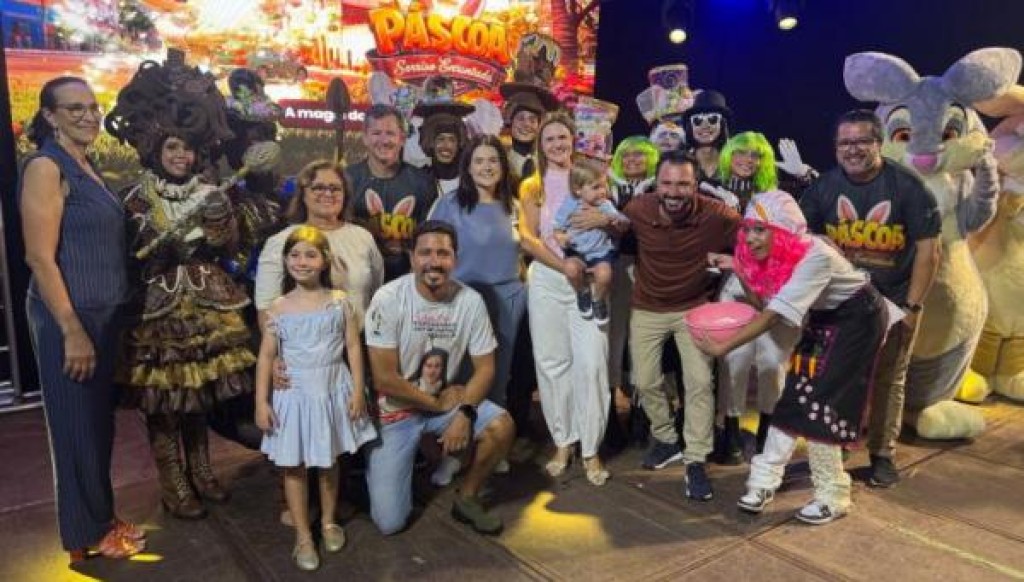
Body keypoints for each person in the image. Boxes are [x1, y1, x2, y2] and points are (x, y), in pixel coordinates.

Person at [105, 52, 254, 520]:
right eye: (172, 148)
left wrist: (219, 221)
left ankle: (202, 472)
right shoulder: (134, 198)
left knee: (197, 395)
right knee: (164, 400)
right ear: (155, 148)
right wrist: (150, 243)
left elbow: (227, 245)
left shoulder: (209, 192)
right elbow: (126, 258)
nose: (180, 157)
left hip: (206, 304)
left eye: (187, 149)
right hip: (157, 314)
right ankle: (174, 483)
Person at [697, 190, 888, 525]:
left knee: (820, 404)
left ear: (783, 232)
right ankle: (763, 482)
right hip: (825, 318)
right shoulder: (776, 257)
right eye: (748, 229)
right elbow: (763, 305)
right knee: (792, 396)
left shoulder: (815, 257)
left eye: (761, 230)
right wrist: (741, 269)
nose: (750, 238)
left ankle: (833, 496)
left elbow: (771, 316)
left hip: (858, 321)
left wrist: (723, 347)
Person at [20, 76, 145, 562]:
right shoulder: (45, 167)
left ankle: (100, 516)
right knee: (76, 430)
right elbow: (39, 257)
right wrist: (71, 329)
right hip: (69, 318)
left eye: (93, 107)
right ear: (49, 116)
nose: (89, 116)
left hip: (101, 316)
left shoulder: (85, 166)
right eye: (75, 108)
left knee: (96, 426)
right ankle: (84, 536)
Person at [799, 109, 940, 488]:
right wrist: (816, 239)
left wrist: (912, 306)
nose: (853, 149)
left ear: (880, 143)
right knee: (839, 375)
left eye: (862, 141)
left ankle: (881, 454)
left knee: (888, 379)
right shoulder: (824, 187)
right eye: (844, 143)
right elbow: (799, 234)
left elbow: (929, 252)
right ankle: (837, 443)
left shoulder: (907, 187)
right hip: (841, 303)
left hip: (893, 301)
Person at [363, 221, 515, 535]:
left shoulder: (470, 301)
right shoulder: (388, 298)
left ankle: (467, 497)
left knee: (501, 426)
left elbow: (486, 368)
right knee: (390, 523)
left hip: (444, 404)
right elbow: (384, 379)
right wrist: (435, 404)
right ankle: (387, 459)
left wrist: (465, 413)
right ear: (411, 257)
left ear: (455, 258)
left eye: (443, 253)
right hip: (396, 412)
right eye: (425, 253)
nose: (434, 261)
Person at [256, 226, 376, 571]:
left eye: (310, 255)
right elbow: (266, 356)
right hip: (294, 396)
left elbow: (353, 347)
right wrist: (261, 401)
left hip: (331, 390)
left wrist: (357, 389)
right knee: (293, 467)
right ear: (285, 260)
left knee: (328, 461)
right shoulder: (278, 308)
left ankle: (328, 520)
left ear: (324, 261)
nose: (302, 262)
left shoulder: (339, 301)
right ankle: (303, 536)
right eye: (295, 255)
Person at [623, 150, 740, 500]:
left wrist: (735, 259)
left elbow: (758, 235)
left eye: (683, 184)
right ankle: (666, 437)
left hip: (694, 309)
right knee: (643, 381)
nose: (674, 192)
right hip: (647, 307)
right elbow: (609, 229)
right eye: (667, 183)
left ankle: (696, 460)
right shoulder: (638, 209)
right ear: (655, 184)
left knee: (700, 382)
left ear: (696, 185)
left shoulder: (717, 214)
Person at [519, 112, 612, 486]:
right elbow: (528, 238)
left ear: (573, 139)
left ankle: (591, 448)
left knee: (591, 363)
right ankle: (563, 441)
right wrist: (564, 266)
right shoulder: (532, 186)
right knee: (551, 362)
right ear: (540, 146)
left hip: (589, 280)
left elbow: (613, 221)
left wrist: (604, 224)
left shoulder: (591, 176)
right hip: (548, 279)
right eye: (550, 139)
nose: (557, 144)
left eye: (563, 137)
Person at [712, 131, 796, 464]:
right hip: (734, 282)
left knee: (772, 362)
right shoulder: (713, 190)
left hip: (772, 284)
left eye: (755, 154)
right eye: (740, 153)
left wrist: (805, 174)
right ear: (728, 155)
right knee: (734, 360)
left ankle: (767, 430)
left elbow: (799, 230)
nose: (747, 160)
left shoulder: (777, 195)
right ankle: (731, 429)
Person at [428, 135, 525, 411]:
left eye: (493, 160)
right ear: (468, 167)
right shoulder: (448, 205)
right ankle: (455, 429)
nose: (487, 167)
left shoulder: (515, 207)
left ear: (503, 166)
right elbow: (429, 254)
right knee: (457, 371)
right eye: (479, 160)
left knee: (499, 373)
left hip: (508, 302)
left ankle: (491, 431)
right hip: (461, 299)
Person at [255, 159, 384, 330]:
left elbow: (376, 291)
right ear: (303, 194)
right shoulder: (280, 241)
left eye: (335, 188)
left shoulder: (363, 237)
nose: (328, 193)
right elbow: (267, 309)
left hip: (359, 340)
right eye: (318, 187)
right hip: (301, 343)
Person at [349, 104, 436, 282]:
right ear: (365, 138)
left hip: (406, 281)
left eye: (390, 133)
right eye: (376, 133)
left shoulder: (423, 182)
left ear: (402, 138)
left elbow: (428, 238)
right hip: (356, 278)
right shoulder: (346, 180)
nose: (384, 140)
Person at [553, 156, 630, 325]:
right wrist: (561, 237)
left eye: (604, 185)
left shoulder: (605, 205)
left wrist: (617, 221)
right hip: (577, 251)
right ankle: (582, 291)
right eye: (596, 187)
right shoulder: (570, 204)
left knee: (604, 275)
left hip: (600, 252)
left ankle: (598, 299)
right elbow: (557, 227)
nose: (602, 191)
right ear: (578, 189)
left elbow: (622, 221)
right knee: (570, 269)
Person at [413, 76, 475, 196]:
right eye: (440, 139)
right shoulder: (417, 180)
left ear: (459, 143)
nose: (446, 146)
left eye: (452, 140)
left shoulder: (472, 181)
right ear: (430, 142)